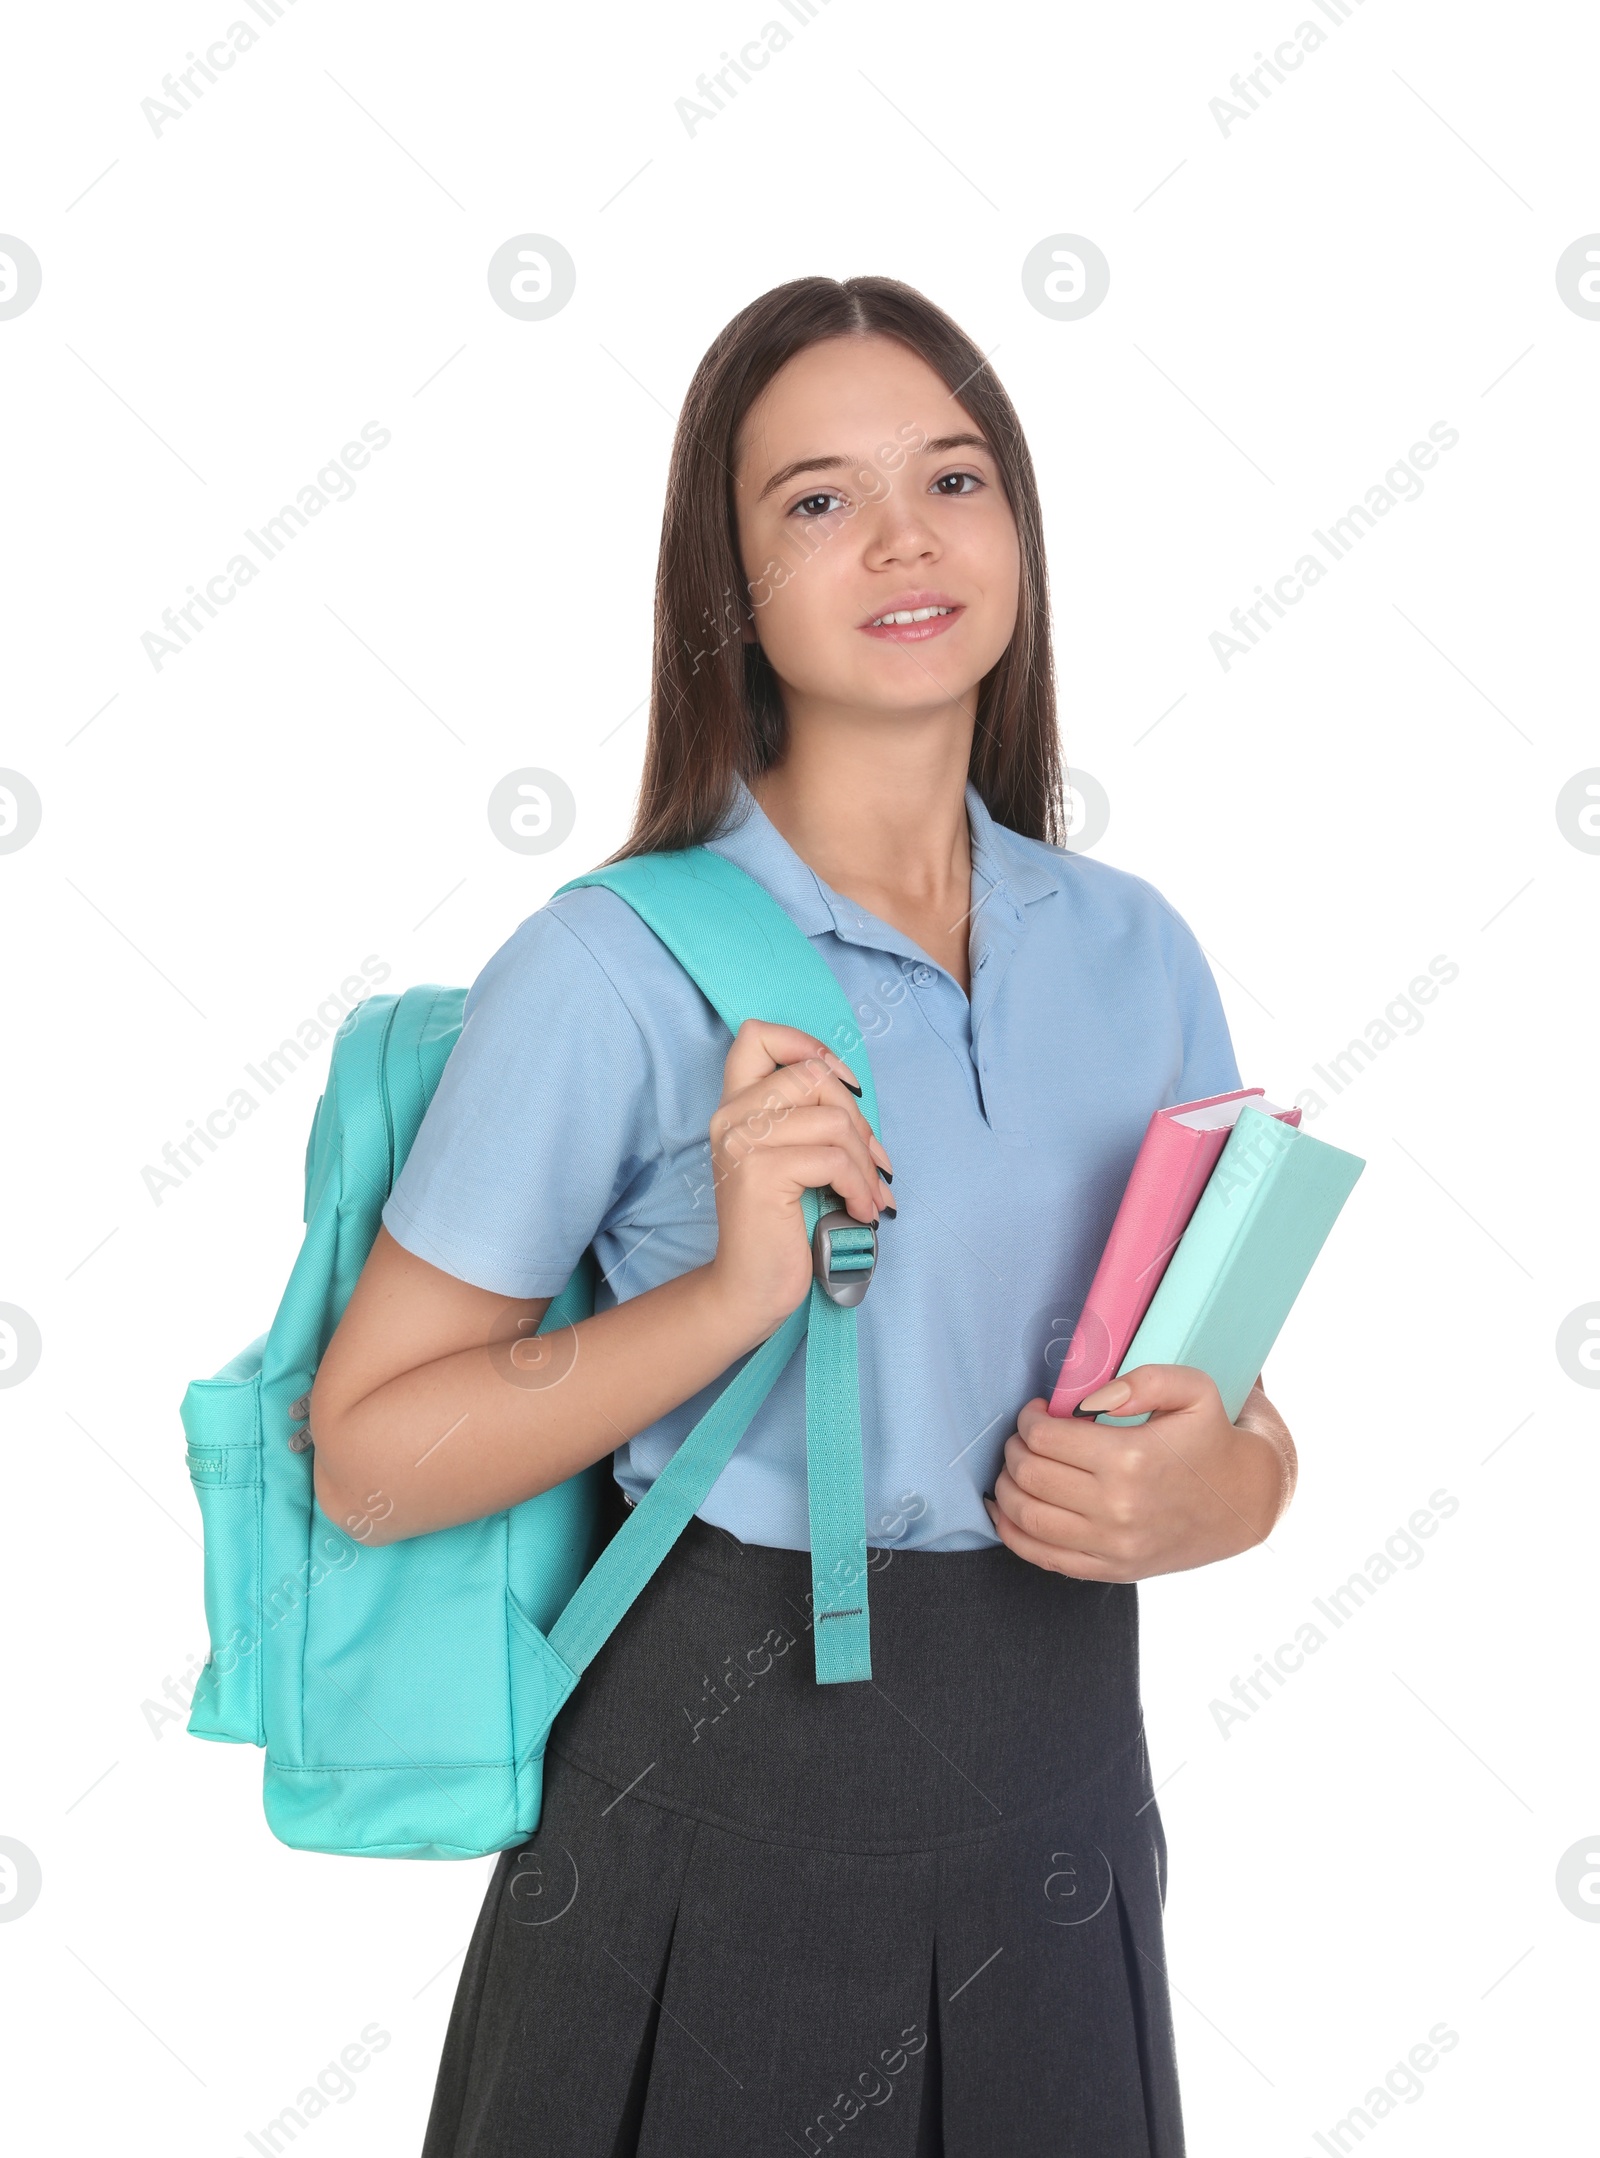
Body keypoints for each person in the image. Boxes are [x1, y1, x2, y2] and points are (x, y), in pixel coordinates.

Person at [308, 273, 1297, 2158]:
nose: (906, 535)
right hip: (717, 1813)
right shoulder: (608, 969)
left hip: (1065, 1808)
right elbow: (365, 1457)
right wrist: (726, 1297)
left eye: (956, 475)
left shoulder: (1138, 952)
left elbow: (1223, 1404)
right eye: (819, 499)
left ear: (1019, 528)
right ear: (726, 582)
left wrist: (1231, 1493)